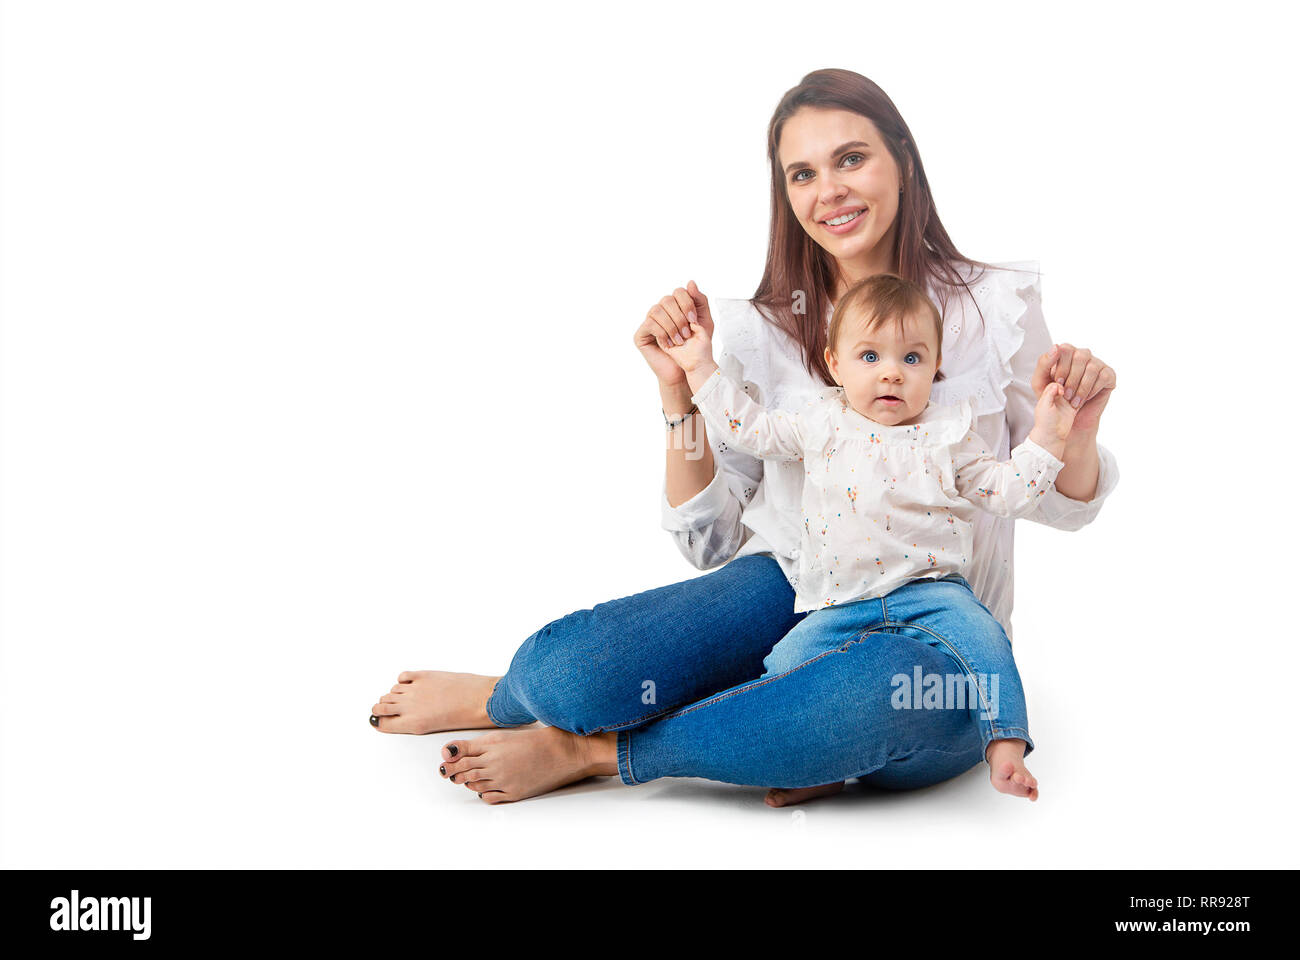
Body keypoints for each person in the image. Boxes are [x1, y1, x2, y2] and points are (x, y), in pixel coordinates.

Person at [370, 68, 1119, 807]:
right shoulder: (758, 332)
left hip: (933, 621)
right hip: (795, 586)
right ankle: (515, 700)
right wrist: (677, 386)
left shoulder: (994, 307)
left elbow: (1053, 501)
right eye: (802, 173)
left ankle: (600, 751)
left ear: (904, 160)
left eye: (851, 158)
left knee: (865, 706)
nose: (828, 190)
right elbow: (711, 540)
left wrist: (1074, 433)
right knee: (574, 672)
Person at [666, 270, 1081, 800]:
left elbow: (1007, 491)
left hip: (933, 594)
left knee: (987, 642)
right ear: (834, 364)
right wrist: (700, 366)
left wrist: (1050, 434)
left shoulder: (951, 433)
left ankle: (1006, 744)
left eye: (911, 359)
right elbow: (749, 428)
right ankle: (818, 767)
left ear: (934, 370)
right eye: (870, 357)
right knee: (783, 671)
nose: (891, 374)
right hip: (840, 601)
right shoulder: (821, 421)